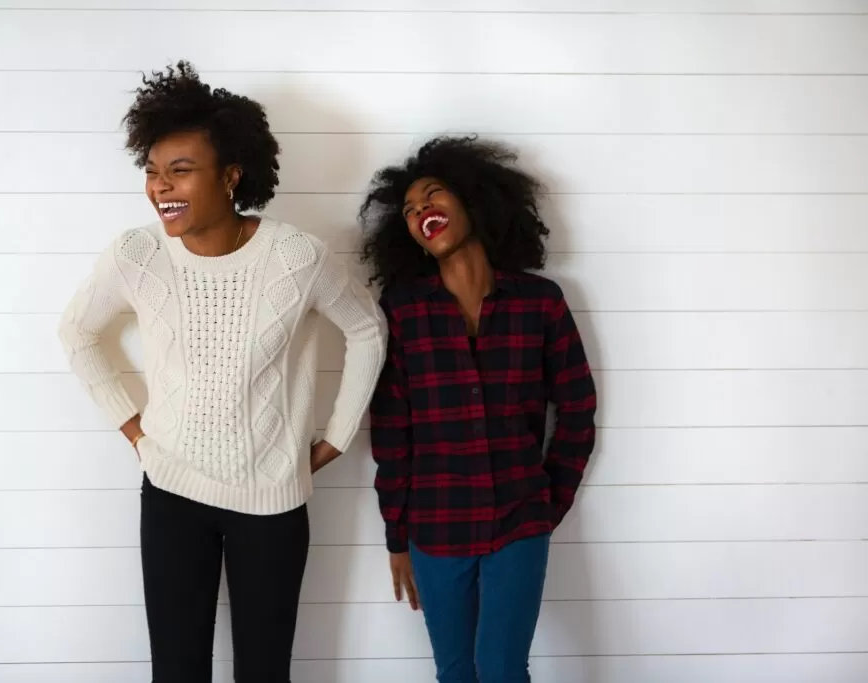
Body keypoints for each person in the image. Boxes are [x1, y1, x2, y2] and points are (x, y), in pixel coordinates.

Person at [58, 61, 387, 683]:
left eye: (180, 170)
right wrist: (133, 430)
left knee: (265, 672)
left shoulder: (297, 257)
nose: (161, 188)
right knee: (177, 671)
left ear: (232, 175)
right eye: (152, 172)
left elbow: (368, 330)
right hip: (172, 493)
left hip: (273, 502)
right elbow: (76, 331)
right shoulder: (137, 253)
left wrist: (338, 436)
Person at [360, 136, 597, 683]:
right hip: (435, 527)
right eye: (410, 210)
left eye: (433, 196)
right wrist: (398, 537)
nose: (421, 212)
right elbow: (392, 434)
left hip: (520, 521)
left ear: (473, 200)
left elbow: (578, 409)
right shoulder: (402, 312)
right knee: (456, 672)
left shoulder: (541, 302)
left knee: (503, 668)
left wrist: (546, 503)